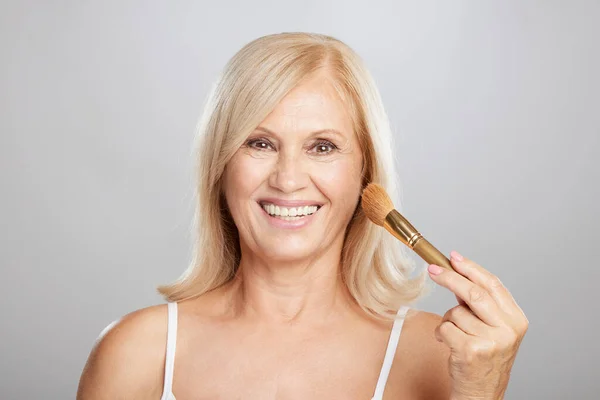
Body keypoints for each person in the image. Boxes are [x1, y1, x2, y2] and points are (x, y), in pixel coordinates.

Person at [77, 32, 528, 400]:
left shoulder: (441, 357)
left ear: (365, 176)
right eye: (260, 143)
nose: (288, 179)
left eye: (323, 147)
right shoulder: (138, 352)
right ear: (221, 166)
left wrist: (479, 390)